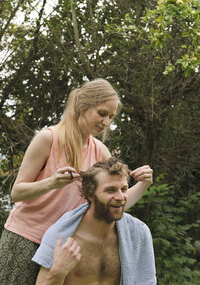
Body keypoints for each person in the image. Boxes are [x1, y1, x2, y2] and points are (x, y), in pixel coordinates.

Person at [0, 78, 153, 285]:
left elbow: (115, 202)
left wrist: (143, 184)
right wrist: (52, 183)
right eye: (102, 113)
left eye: (111, 116)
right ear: (82, 106)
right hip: (28, 240)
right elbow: (17, 192)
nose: (106, 122)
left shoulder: (100, 151)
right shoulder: (48, 139)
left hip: (64, 245)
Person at [33, 157, 157, 285]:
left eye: (124, 189)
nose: (121, 197)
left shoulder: (138, 233)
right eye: (110, 190)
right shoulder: (61, 238)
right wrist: (57, 274)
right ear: (90, 194)